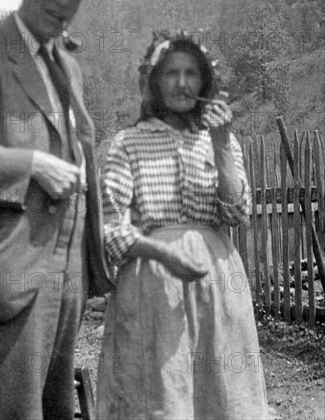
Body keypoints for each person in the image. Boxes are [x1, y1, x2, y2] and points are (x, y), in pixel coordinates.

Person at [96, 30, 269, 420]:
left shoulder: (221, 141)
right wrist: (159, 251)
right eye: (171, 73)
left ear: (205, 83)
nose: (181, 83)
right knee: (160, 397)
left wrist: (222, 145)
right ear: (154, 81)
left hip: (218, 286)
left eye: (192, 73)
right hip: (152, 288)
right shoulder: (128, 143)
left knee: (222, 394)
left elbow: (237, 215)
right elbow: (109, 230)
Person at [0, 0, 113, 419]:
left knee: (55, 407)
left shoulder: (69, 65)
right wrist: (30, 164)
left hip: (68, 278)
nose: (63, 1)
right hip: (8, 275)